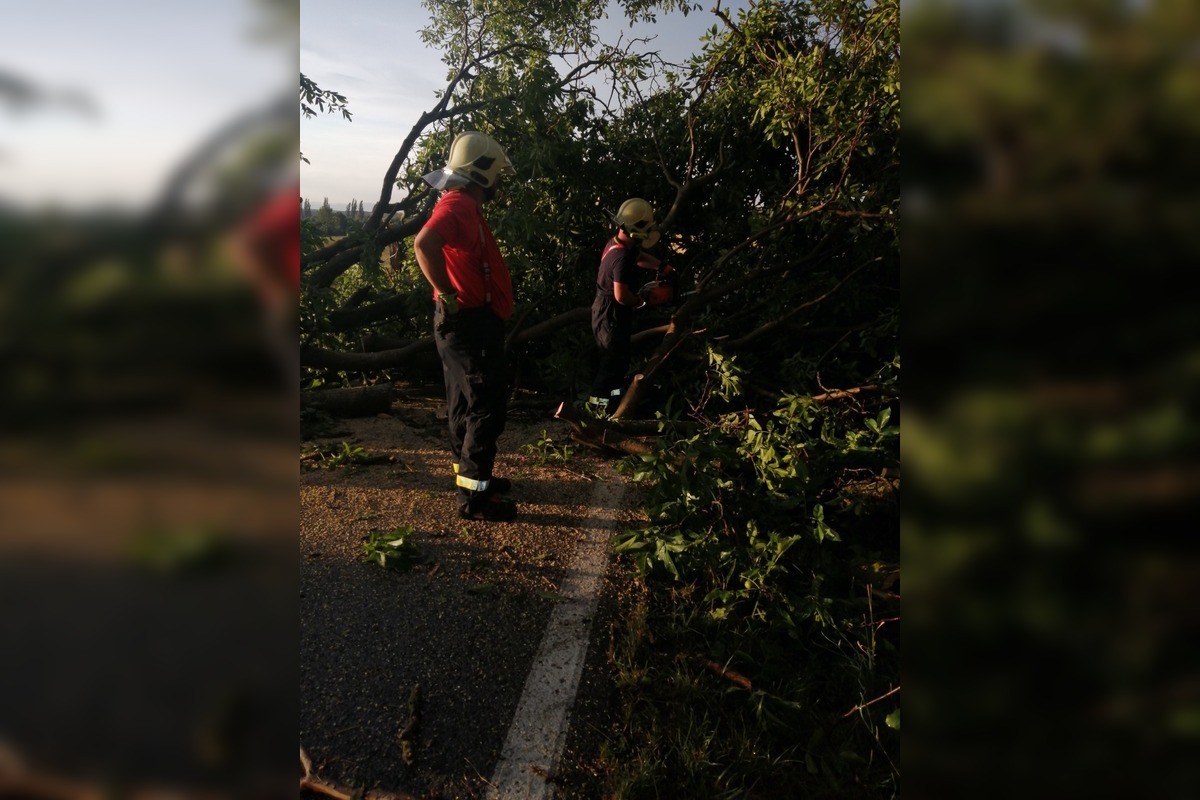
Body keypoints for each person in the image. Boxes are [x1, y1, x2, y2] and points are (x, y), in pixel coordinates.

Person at [414, 131, 519, 521]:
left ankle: (470, 478)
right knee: (486, 406)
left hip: (463, 324)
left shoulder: (460, 204)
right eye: (498, 175)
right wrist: (448, 293)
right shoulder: (459, 203)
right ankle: (475, 499)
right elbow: (424, 244)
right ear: (484, 173)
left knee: (462, 401)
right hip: (469, 324)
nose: (500, 183)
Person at [588, 197, 674, 416]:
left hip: (611, 312)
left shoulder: (618, 243)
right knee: (610, 364)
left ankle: (616, 407)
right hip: (610, 312)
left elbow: (639, 256)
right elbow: (621, 295)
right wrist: (641, 300)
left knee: (619, 362)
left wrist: (661, 266)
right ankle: (595, 414)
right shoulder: (621, 256)